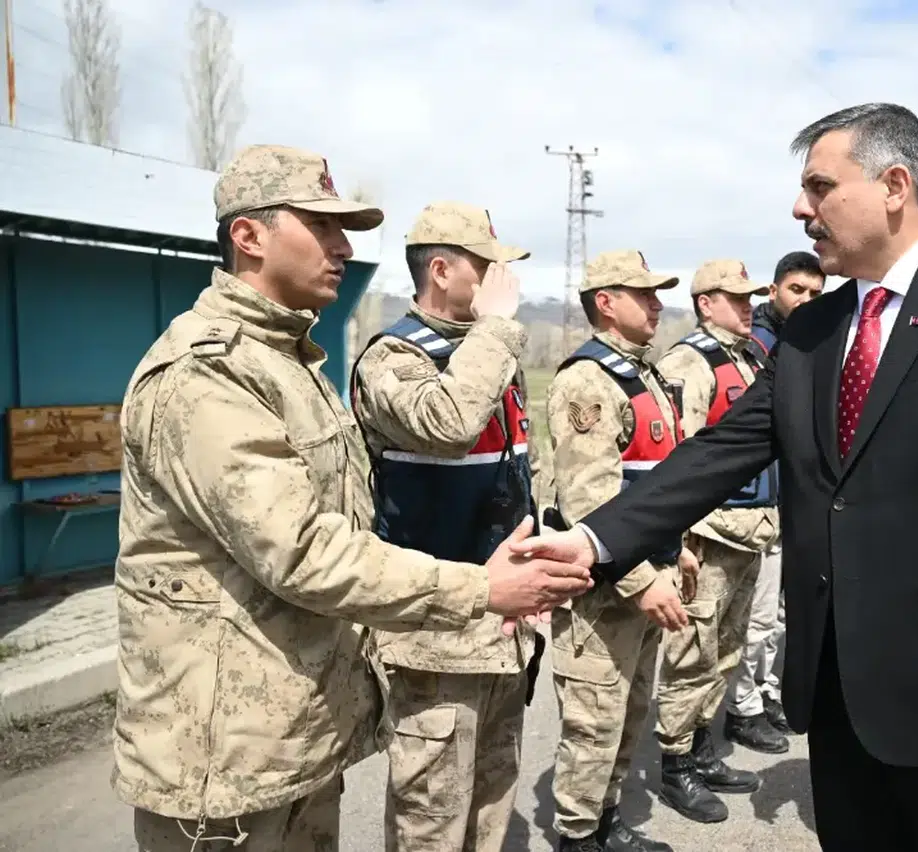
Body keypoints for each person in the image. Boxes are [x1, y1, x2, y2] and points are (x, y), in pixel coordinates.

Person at [514, 103, 918, 852]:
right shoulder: (815, 331)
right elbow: (719, 452)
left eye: (820, 187)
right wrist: (595, 541)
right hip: (836, 699)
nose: (801, 208)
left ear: (894, 186)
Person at [113, 144, 592, 852]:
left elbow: (359, 517)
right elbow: (303, 551)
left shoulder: (287, 362)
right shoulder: (209, 374)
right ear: (248, 236)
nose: (343, 247)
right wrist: (481, 589)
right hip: (223, 762)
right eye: (321, 226)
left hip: (293, 734)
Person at [348, 201, 543, 852]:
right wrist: (497, 330)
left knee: (491, 802)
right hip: (436, 639)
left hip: (504, 627)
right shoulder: (394, 358)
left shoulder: (489, 354)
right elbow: (448, 424)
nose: (502, 283)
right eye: (488, 267)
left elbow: (520, 475)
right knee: (432, 821)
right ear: (440, 270)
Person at [544, 248, 694, 852]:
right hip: (604, 594)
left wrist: (677, 549)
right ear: (605, 302)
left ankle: (605, 825)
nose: (657, 304)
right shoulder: (588, 380)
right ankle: (579, 837)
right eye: (644, 293)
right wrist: (642, 579)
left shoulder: (640, 374)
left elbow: (654, 483)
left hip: (644, 576)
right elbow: (590, 500)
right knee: (593, 724)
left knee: (628, 713)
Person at [645, 258, 780, 824]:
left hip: (750, 534)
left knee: (725, 650)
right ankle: (676, 762)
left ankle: (702, 747)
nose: (749, 306)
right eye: (736, 298)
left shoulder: (750, 357)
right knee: (691, 652)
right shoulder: (689, 363)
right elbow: (685, 457)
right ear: (705, 303)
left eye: (751, 298)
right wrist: (678, 539)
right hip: (709, 535)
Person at [729, 250, 827, 742]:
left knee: (779, 616)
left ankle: (766, 691)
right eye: (796, 290)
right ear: (773, 292)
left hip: (793, 501)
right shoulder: (757, 347)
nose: (806, 300)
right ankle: (743, 706)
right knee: (755, 619)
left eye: (815, 293)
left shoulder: (811, 340)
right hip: (757, 503)